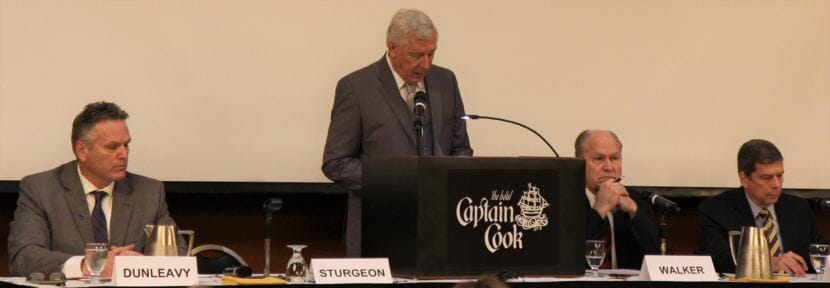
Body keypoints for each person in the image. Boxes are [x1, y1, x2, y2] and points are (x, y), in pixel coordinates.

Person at [322, 8, 473, 257]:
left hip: (439, 228)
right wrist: (395, 182)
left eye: (431, 53)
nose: (426, 64)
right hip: (378, 226)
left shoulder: (446, 81)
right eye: (416, 55)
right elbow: (336, 163)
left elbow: (461, 149)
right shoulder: (357, 88)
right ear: (392, 48)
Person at [7, 101, 185, 277]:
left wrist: (136, 265)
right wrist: (88, 265)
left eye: (126, 145)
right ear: (82, 150)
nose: (123, 154)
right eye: (112, 146)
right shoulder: (41, 189)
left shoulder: (149, 191)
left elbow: (180, 255)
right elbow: (24, 257)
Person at [696, 139, 823, 276]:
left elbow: (820, 251)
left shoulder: (798, 208)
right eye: (766, 178)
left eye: (779, 176)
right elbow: (716, 259)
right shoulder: (716, 210)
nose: (776, 185)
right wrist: (770, 263)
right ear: (744, 179)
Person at [575, 129, 660, 269]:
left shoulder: (636, 200)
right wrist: (599, 210)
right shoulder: (564, 201)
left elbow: (658, 255)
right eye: (599, 159)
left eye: (614, 158)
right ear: (579, 163)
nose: (609, 167)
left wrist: (634, 212)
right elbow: (570, 256)